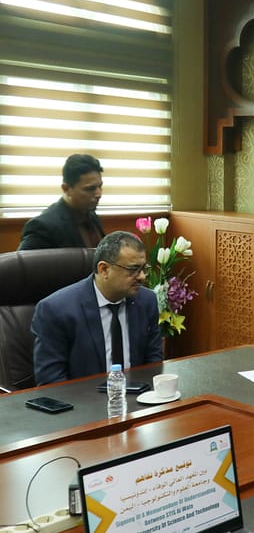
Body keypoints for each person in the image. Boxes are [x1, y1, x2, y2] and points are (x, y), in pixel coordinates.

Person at [32, 231, 162, 385]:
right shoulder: (56, 310)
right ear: (104, 269)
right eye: (133, 269)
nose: (142, 277)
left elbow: (153, 364)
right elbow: (51, 382)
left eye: (143, 269)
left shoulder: (146, 301)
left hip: (138, 395)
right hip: (82, 398)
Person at [19, 154, 105, 251]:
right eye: (90, 189)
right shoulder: (42, 227)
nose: (99, 194)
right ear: (66, 189)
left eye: (100, 186)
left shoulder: (90, 214)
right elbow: (22, 261)